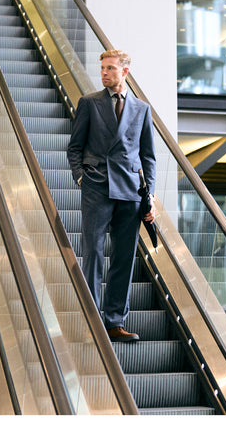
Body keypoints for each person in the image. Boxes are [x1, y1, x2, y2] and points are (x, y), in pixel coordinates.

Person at [67, 49, 156, 342]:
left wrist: (150, 195)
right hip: (97, 185)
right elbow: (75, 147)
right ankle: (92, 318)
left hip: (130, 191)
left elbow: (148, 157)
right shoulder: (89, 103)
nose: (103, 73)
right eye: (102, 68)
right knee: (93, 251)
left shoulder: (142, 109)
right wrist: (81, 176)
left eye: (109, 68)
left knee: (124, 257)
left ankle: (115, 321)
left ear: (124, 72)